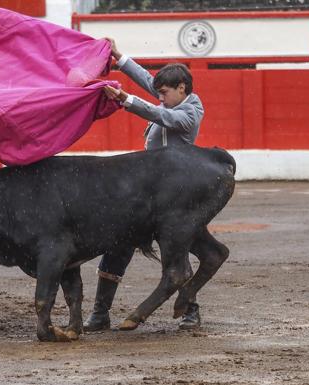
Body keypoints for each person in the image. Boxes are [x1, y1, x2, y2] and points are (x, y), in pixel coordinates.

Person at [83, 38, 205, 332]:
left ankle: (191, 311)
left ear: (182, 89)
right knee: (117, 241)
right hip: (147, 189)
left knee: (175, 251)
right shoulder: (174, 96)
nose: (159, 97)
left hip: (174, 194)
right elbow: (149, 82)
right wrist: (119, 57)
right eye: (159, 93)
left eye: (164, 93)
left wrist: (125, 99)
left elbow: (160, 115)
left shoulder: (190, 112)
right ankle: (100, 313)